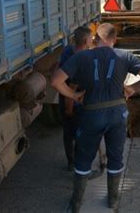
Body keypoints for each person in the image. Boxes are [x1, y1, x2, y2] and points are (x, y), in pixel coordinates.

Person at [51, 23, 140, 213]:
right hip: (117, 114)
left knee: (83, 159)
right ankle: (112, 200)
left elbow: (55, 81)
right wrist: (133, 88)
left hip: (91, 114)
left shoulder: (82, 56)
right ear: (114, 39)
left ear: (95, 40)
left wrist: (73, 95)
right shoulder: (124, 56)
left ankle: (76, 203)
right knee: (115, 158)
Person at [59, 26, 93, 171]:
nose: (92, 40)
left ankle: (71, 161)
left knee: (68, 132)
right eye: (91, 38)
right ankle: (77, 164)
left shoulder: (67, 50)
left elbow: (57, 69)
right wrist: (69, 109)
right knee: (80, 133)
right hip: (74, 101)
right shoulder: (83, 59)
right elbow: (73, 88)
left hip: (63, 95)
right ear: (86, 41)